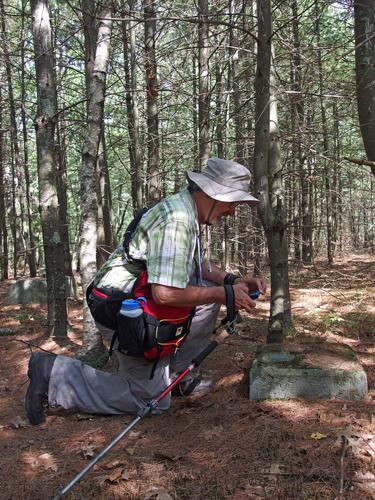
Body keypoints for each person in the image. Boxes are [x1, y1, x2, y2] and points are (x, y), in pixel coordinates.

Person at [25, 158, 267, 425]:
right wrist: (224, 294)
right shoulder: (177, 221)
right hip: (122, 306)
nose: (232, 212)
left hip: (140, 298)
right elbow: (164, 294)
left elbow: (199, 267)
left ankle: (176, 377)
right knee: (151, 400)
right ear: (212, 194)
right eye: (232, 202)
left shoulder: (189, 211)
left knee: (210, 293)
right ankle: (54, 373)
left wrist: (233, 281)